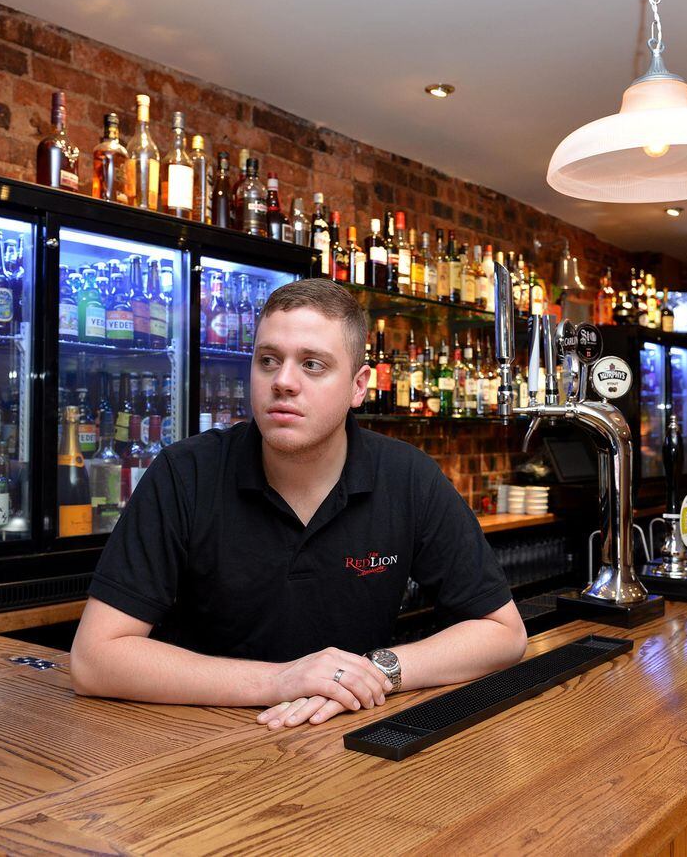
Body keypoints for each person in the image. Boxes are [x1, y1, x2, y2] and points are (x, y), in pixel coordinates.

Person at [70, 279, 526, 729]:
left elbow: (504, 634)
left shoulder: (407, 477)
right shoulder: (183, 474)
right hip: (200, 742)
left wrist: (373, 672)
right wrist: (281, 680)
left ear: (358, 386)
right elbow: (95, 659)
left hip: (347, 741)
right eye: (268, 361)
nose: (283, 382)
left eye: (312, 364)